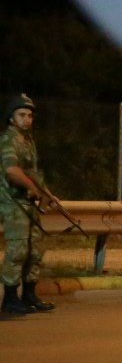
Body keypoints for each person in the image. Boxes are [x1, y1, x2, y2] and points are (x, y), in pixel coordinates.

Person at [1, 93, 59, 316]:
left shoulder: (28, 140)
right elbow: (11, 170)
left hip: (28, 204)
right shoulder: (9, 139)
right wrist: (32, 188)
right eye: (22, 114)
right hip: (12, 203)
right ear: (11, 117)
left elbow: (33, 174)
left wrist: (48, 194)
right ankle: (10, 299)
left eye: (30, 115)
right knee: (17, 251)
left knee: (35, 250)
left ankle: (29, 295)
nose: (27, 119)